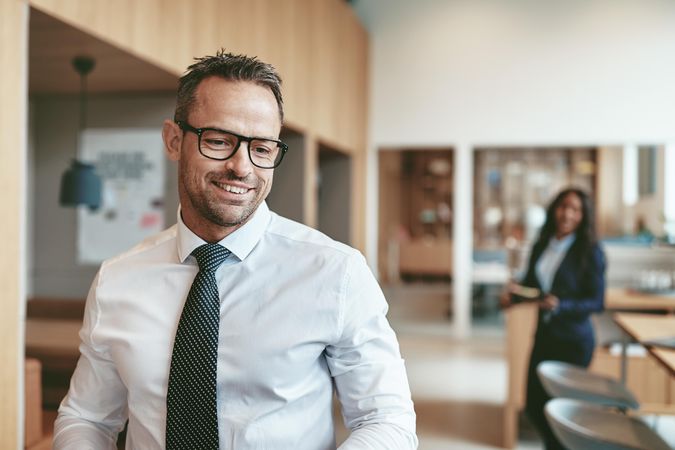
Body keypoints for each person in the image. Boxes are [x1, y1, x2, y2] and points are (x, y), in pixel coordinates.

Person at [54, 51, 417, 450]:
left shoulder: (336, 272)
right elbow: (87, 417)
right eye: (219, 141)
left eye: (261, 149)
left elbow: (386, 419)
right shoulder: (117, 279)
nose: (241, 167)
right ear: (174, 141)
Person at [500, 188, 606, 450]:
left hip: (573, 342)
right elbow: (533, 287)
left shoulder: (590, 251)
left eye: (575, 209)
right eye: (563, 207)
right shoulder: (543, 243)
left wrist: (562, 305)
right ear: (554, 209)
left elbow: (597, 301)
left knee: (565, 414)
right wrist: (513, 296)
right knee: (535, 405)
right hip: (544, 337)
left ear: (583, 216)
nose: (568, 214)